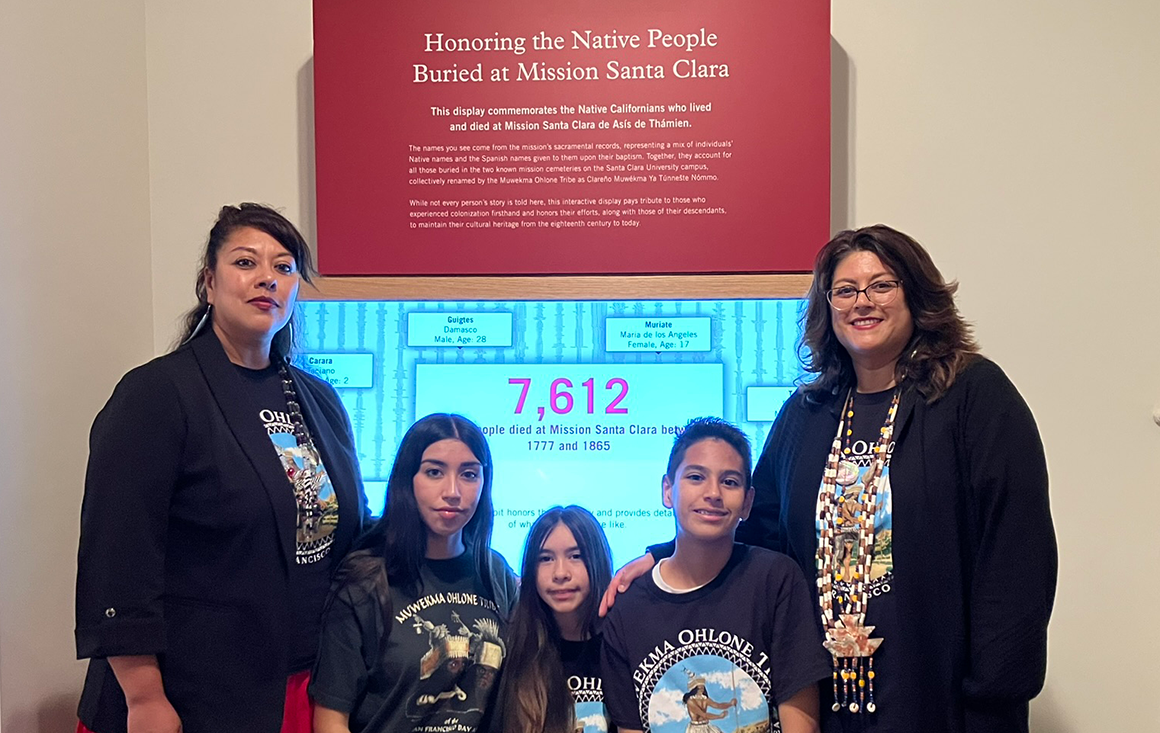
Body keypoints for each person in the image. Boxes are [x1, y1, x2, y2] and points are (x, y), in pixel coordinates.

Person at [603, 225, 1057, 733]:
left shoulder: (974, 396)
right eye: (845, 290)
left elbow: (1016, 558)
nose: (862, 302)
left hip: (941, 703)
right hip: (822, 702)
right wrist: (667, 555)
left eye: (881, 285)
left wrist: (992, 701)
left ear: (916, 295)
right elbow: (754, 529)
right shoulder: (807, 413)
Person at [74, 203, 370, 733]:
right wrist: (144, 697)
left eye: (283, 267)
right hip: (183, 694)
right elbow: (118, 554)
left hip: (303, 686)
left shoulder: (318, 400)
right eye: (245, 262)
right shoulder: (157, 394)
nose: (267, 278)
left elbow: (350, 534)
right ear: (209, 283)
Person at [601, 417, 830, 733]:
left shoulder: (775, 580)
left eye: (730, 482)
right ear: (668, 490)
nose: (713, 492)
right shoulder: (629, 608)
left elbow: (801, 724)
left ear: (748, 502)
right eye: (696, 477)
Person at [311, 413, 519, 733]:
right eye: (434, 472)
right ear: (408, 480)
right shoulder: (365, 582)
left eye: (469, 474)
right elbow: (330, 720)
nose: (453, 491)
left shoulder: (497, 575)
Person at [491, 505, 615, 733]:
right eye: (546, 559)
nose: (560, 573)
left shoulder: (621, 643)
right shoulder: (513, 647)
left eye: (576, 556)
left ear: (598, 561)